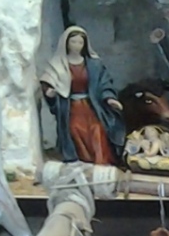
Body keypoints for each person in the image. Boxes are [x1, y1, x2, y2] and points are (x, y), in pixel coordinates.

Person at [40, 26, 125, 166]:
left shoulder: (94, 64)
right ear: (66, 43)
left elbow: (104, 82)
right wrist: (50, 92)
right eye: (73, 42)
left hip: (91, 106)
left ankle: (101, 162)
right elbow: (48, 82)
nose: (77, 46)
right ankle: (82, 162)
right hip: (71, 107)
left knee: (97, 128)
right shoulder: (57, 65)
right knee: (74, 128)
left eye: (80, 42)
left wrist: (109, 98)